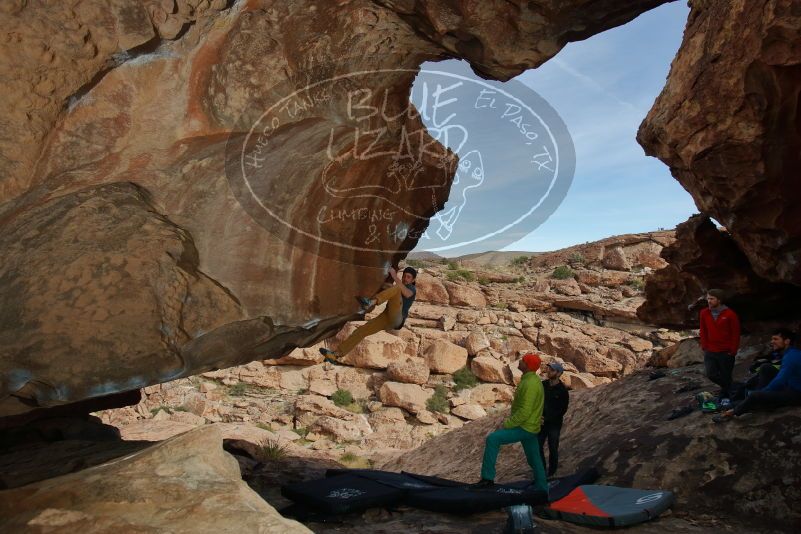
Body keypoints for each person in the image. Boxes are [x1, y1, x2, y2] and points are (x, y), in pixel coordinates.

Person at [472, 353, 547, 492]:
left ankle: (487, 479)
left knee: (493, 439)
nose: (520, 361)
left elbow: (525, 411)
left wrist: (508, 424)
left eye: (523, 361)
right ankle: (542, 487)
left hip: (524, 427)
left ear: (528, 366)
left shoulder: (530, 383)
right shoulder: (532, 380)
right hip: (531, 427)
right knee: (534, 458)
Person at [320, 266, 417, 364]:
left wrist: (395, 276)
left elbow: (407, 294)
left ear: (413, 280)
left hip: (397, 318)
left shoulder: (411, 288)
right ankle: (335, 355)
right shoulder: (400, 286)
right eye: (404, 276)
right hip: (386, 317)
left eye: (408, 277)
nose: (405, 278)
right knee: (361, 331)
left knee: (397, 287)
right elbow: (387, 288)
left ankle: (370, 303)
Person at [716, 337, 801, 420]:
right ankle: (760, 401)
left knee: (755, 395)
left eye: (776, 339)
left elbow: (780, 380)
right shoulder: (791, 353)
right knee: (766, 367)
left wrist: (763, 392)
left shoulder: (791, 357)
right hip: (791, 384)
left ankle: (733, 411)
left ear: (787, 341)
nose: (772, 342)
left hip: (796, 393)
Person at [699, 289, 740, 400]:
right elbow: (703, 330)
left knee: (726, 375)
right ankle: (732, 388)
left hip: (725, 351)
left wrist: (733, 350)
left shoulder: (730, 314)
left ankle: (728, 394)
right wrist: (704, 346)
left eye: (712, 298)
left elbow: (735, 333)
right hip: (710, 350)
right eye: (708, 298)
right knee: (711, 374)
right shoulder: (704, 313)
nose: (709, 301)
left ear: (719, 300)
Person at [539, 362, 569, 478]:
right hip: (540, 423)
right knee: (537, 446)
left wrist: (547, 418)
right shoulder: (543, 385)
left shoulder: (562, 390)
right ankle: (541, 470)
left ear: (558, 373)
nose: (548, 371)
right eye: (548, 369)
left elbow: (562, 409)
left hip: (554, 425)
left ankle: (552, 472)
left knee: (553, 447)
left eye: (551, 370)